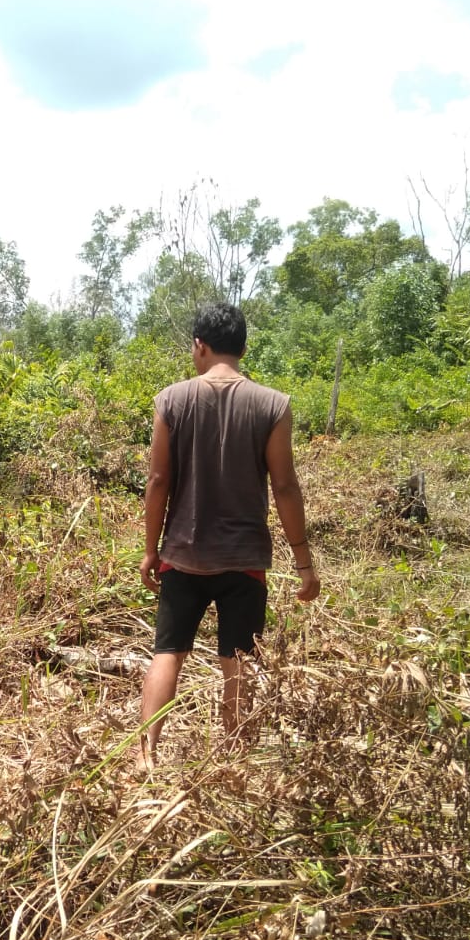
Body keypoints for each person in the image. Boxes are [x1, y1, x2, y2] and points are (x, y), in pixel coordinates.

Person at [138, 303, 320, 768]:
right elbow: (284, 485)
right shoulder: (272, 404)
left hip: (182, 556)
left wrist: (150, 551)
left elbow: (158, 481)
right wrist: (304, 564)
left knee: (168, 653)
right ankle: (234, 760)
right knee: (239, 661)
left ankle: (145, 755)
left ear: (199, 345)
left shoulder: (172, 400)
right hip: (244, 561)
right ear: (242, 346)